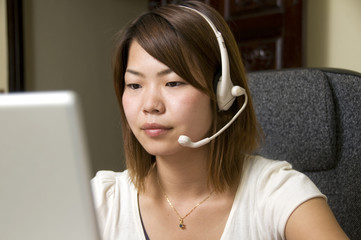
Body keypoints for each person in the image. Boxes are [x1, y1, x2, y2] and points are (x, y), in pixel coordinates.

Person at [91, 1, 349, 239]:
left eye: (173, 82)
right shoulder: (101, 200)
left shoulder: (277, 191)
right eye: (134, 85)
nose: (150, 106)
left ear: (222, 93)